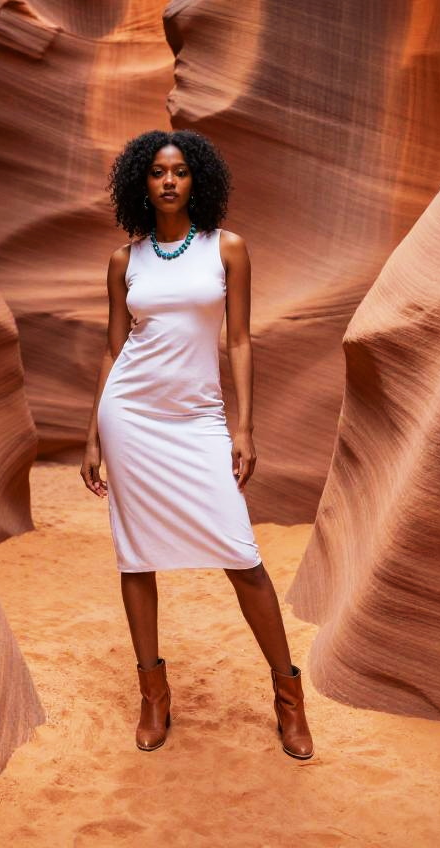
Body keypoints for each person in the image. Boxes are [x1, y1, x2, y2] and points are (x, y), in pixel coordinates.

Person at [80, 129, 314, 759]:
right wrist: (93, 433)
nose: (168, 181)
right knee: (135, 556)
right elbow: (112, 348)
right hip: (131, 416)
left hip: (199, 420)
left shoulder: (226, 249)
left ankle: (289, 697)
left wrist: (243, 427)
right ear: (141, 183)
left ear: (197, 180)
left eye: (180, 171)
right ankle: (153, 695)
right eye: (157, 172)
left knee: (243, 556)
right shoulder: (124, 261)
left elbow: (239, 340)